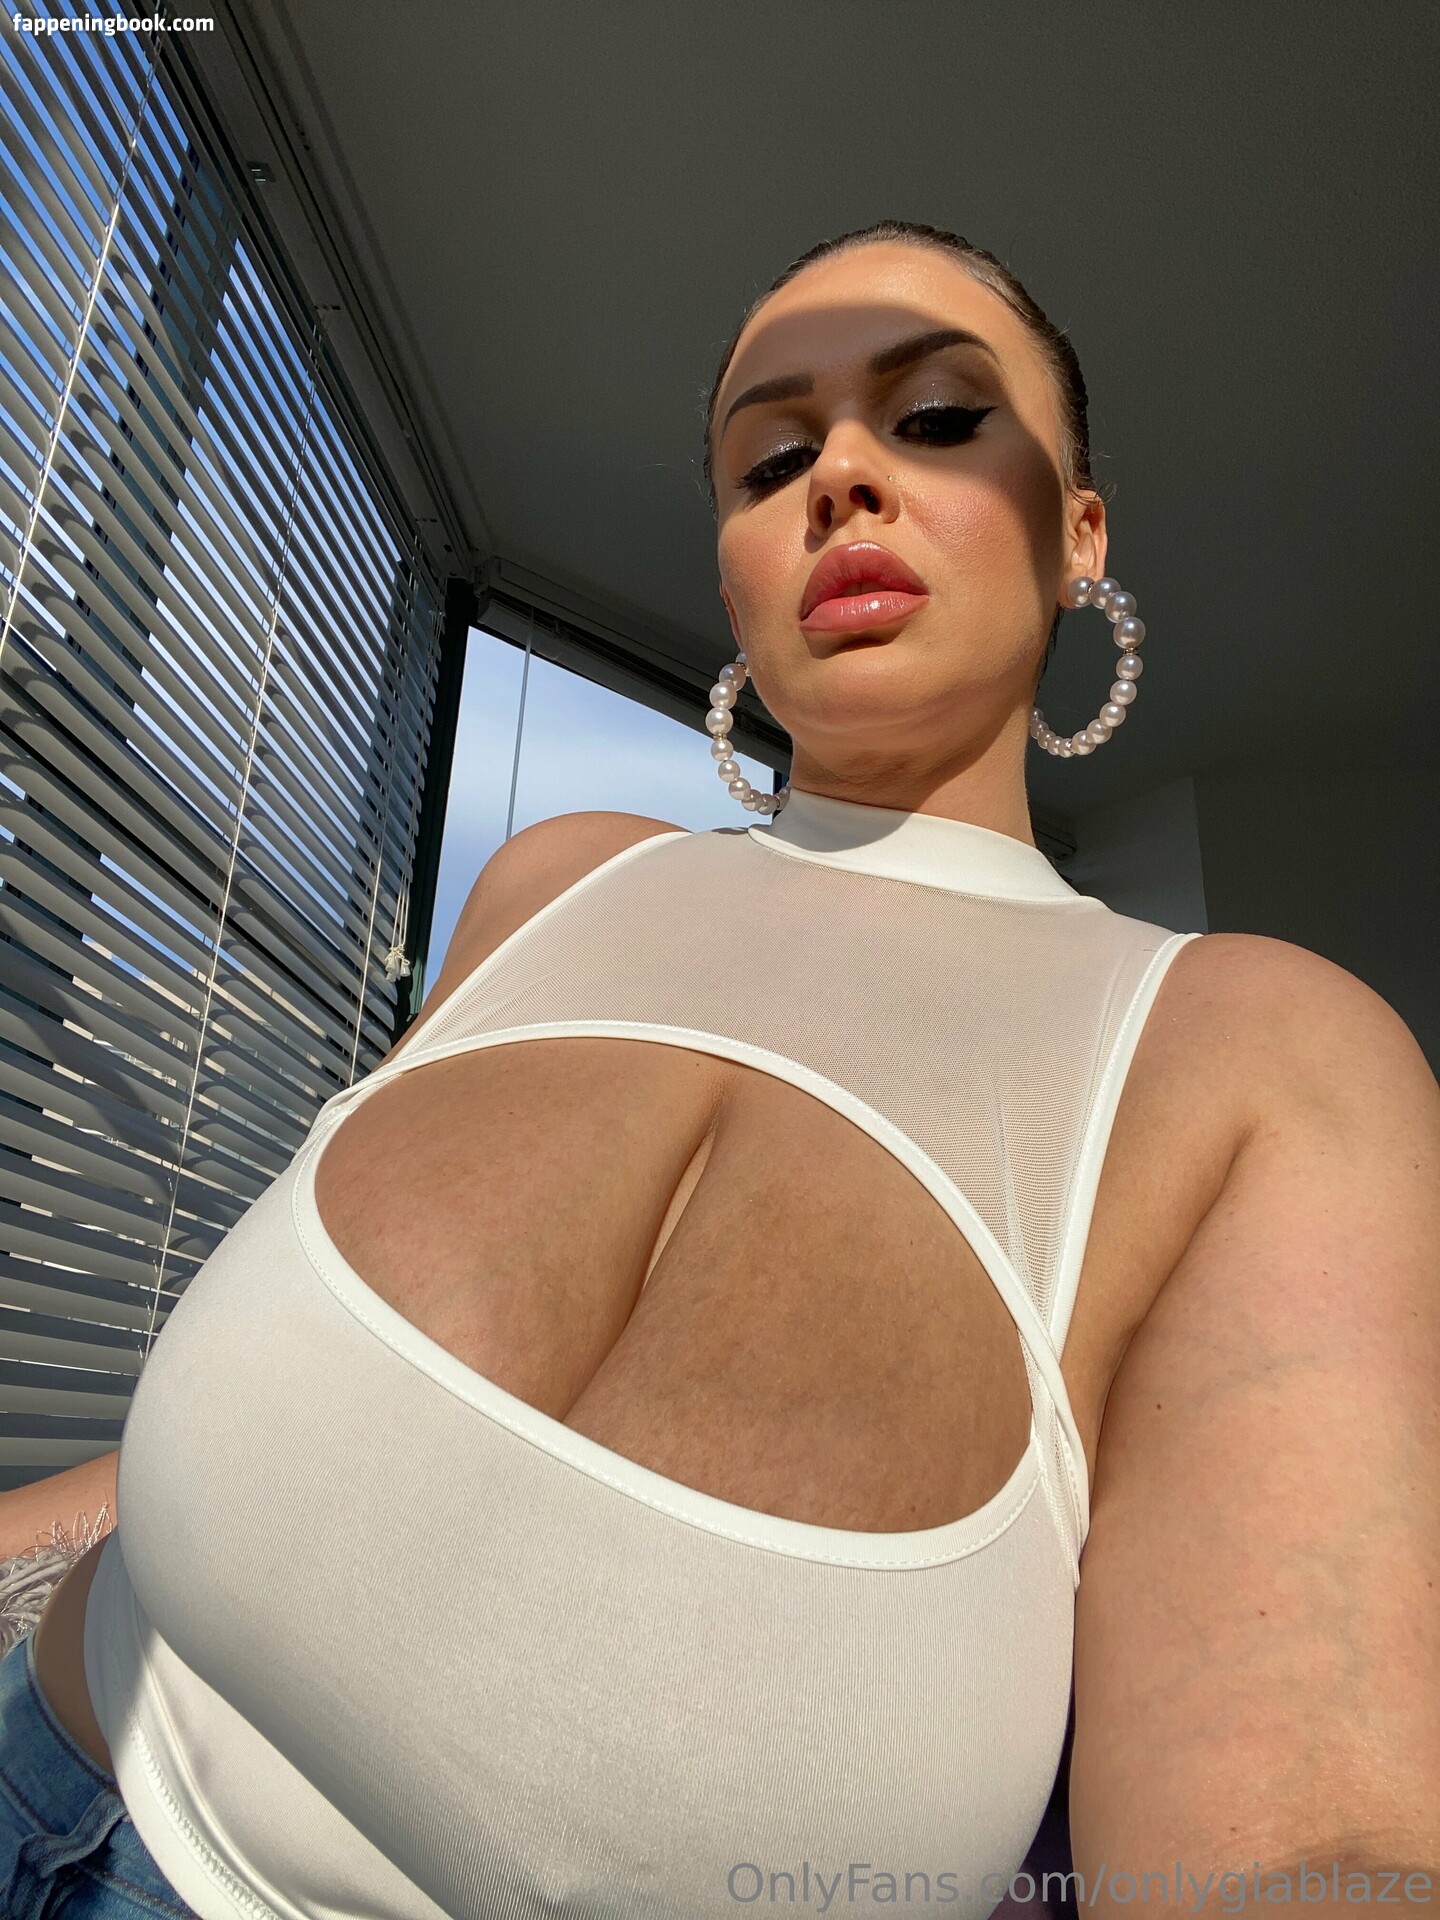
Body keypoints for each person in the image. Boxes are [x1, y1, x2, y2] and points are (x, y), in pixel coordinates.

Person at [2, 219, 1435, 1919]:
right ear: (736, 584)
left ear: (1080, 535)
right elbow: (280, 1435)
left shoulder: (1254, 1058)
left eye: (937, 419)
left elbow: (1310, 1834)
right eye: (771, 460)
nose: (841, 477)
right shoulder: (554, 882)